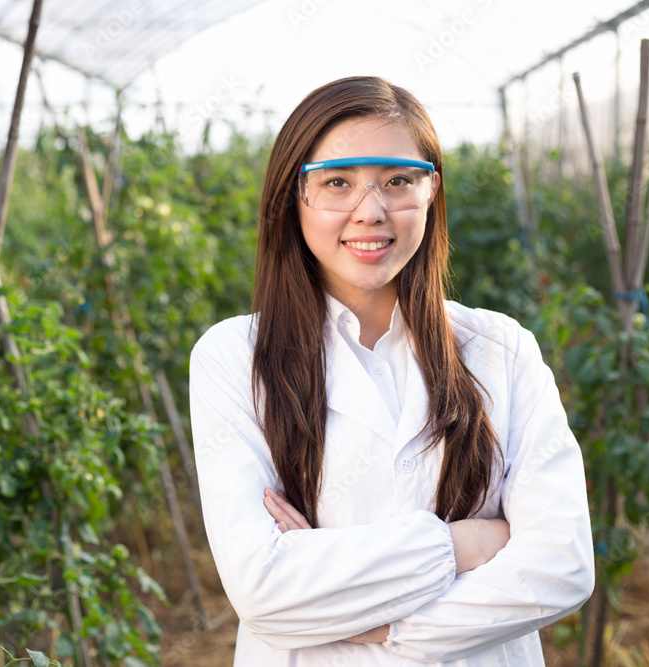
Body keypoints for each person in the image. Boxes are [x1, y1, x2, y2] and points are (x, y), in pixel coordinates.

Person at [188, 76, 593, 666]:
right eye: (337, 183)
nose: (371, 211)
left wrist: (385, 632)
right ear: (291, 198)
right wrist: (462, 545)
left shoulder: (501, 350)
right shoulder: (235, 356)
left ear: (432, 193)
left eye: (398, 181)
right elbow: (263, 589)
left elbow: (562, 566)